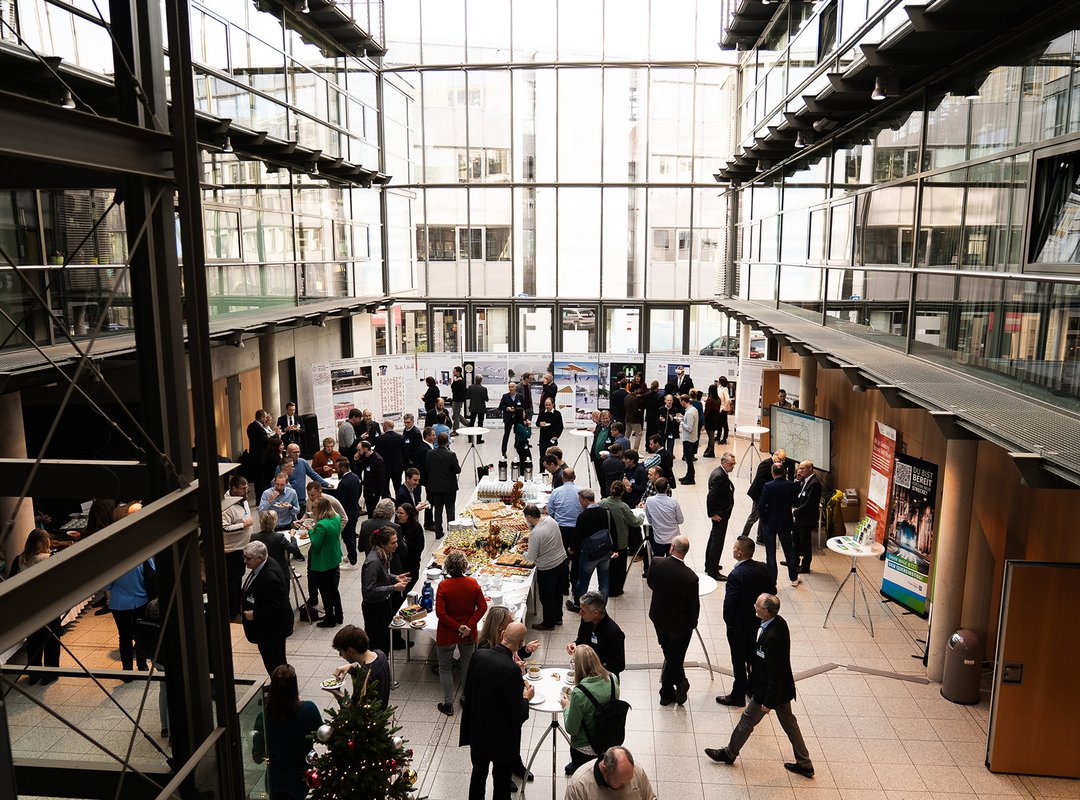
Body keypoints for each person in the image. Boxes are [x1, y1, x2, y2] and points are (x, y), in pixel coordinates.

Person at [704, 594, 814, 778]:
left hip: (769, 691)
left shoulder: (772, 637)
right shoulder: (779, 623)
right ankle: (805, 764)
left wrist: (768, 702)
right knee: (790, 724)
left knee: (747, 720)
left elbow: (774, 672)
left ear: (766, 611)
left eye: (757, 605)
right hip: (781, 690)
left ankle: (729, 753)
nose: (754, 606)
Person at [460, 621, 533, 800]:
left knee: (478, 775)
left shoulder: (478, 655)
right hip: (502, 739)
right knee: (501, 781)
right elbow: (519, 714)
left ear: (502, 635)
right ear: (521, 643)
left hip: (478, 731)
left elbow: (468, 691)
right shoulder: (511, 670)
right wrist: (526, 698)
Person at [717, 537, 776, 707]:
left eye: (735, 547)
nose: (733, 549)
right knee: (752, 656)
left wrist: (729, 622)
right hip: (756, 623)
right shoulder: (762, 568)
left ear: (739, 553)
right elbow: (772, 591)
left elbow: (729, 604)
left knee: (738, 659)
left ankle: (738, 694)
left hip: (738, 625)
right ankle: (753, 687)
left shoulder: (736, 575)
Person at [252, 664, 323, 800]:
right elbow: (323, 735)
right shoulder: (309, 709)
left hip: (274, 779)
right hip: (300, 777)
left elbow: (257, 757)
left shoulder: (263, 717)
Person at [647, 535, 699, 706]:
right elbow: (693, 605)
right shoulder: (690, 577)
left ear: (671, 548)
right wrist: (693, 623)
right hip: (680, 625)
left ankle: (671, 689)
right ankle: (670, 689)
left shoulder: (656, 562)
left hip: (659, 617)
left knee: (669, 653)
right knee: (674, 656)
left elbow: (651, 583)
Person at [435, 550, 488, 716]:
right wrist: (467, 626)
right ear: (465, 566)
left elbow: (440, 613)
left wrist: (457, 627)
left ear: (447, 567)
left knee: (445, 667)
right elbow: (482, 607)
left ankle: (448, 704)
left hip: (447, 633)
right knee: (467, 666)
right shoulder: (472, 583)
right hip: (467, 634)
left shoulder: (443, 586)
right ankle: (465, 698)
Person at [9, 529, 61, 683]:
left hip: (28, 607)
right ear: (45, 542)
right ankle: (50, 674)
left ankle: (34, 673)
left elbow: (12, 582)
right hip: (48, 605)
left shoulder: (19, 560)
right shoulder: (51, 558)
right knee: (51, 640)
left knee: (33, 641)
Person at [560, 645, 620, 774]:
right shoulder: (613, 679)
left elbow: (571, 728)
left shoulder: (579, 693)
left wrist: (566, 706)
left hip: (585, 748)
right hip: (609, 740)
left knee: (584, 779)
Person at [240, 540, 294, 675]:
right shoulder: (264, 564)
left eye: (248, 558)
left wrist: (255, 615)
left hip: (272, 630)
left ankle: (282, 685)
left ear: (259, 558)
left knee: (275, 661)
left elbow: (277, 606)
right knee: (272, 661)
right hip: (268, 629)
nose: (245, 561)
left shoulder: (269, 577)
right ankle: (277, 682)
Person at [361, 526, 409, 655]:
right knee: (378, 643)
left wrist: (395, 577)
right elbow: (369, 590)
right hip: (374, 608)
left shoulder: (383, 555)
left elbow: (382, 575)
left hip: (384, 602)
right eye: (393, 543)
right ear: (382, 544)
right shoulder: (373, 562)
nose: (397, 545)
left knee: (386, 639)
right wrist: (394, 587)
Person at [524, 505, 569, 631]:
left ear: (529, 517)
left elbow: (531, 558)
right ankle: (558, 618)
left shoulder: (535, 533)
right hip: (561, 562)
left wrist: (522, 553)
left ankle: (548, 623)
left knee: (547, 596)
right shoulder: (551, 521)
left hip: (548, 568)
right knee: (557, 593)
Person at [331, 625, 392, 710]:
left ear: (350, 651)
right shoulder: (380, 654)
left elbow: (354, 711)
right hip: (381, 712)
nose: (340, 655)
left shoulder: (364, 678)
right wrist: (352, 668)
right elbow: (372, 675)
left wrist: (339, 695)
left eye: (340, 651)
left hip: (369, 716)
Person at [569, 489, 612, 610]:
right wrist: (614, 549)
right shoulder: (606, 512)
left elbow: (577, 535)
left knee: (583, 581)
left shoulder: (583, 516)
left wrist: (572, 548)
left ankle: (578, 605)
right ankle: (601, 607)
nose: (580, 503)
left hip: (590, 553)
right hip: (605, 551)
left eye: (580, 501)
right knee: (604, 581)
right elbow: (612, 530)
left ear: (585, 500)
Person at [758, 462, 800, 586]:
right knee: (789, 551)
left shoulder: (768, 486)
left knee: (770, 553)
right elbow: (796, 503)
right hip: (785, 522)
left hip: (770, 523)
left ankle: (772, 581)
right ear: (784, 472)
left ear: (772, 473)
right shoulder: (791, 485)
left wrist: (765, 519)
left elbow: (761, 507)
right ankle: (793, 578)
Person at [599, 481, 642, 598]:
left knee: (607, 566)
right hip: (620, 541)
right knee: (619, 568)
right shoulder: (623, 507)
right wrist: (641, 515)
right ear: (622, 492)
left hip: (605, 540)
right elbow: (635, 522)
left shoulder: (603, 503)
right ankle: (617, 589)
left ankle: (606, 588)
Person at [565, 746, 656, 800]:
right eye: (621, 783)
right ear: (605, 770)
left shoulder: (637, 770)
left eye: (629, 779)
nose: (626, 786)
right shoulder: (579, 786)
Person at [221, 474, 255, 621]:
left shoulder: (243, 499)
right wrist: (243, 525)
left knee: (240, 577)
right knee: (232, 582)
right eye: (243, 488)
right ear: (234, 489)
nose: (246, 491)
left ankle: (237, 605)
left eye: (246, 488)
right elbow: (224, 528)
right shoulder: (226, 506)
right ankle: (232, 611)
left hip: (243, 546)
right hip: (232, 549)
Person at [567, 592, 625, 677]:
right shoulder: (586, 620)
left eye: (583, 611)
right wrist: (575, 644)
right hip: (587, 672)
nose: (580, 613)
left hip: (604, 677)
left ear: (595, 613)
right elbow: (581, 639)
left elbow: (619, 665)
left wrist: (592, 659)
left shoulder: (614, 633)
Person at [546, 466, 582, 594]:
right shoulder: (581, 491)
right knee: (576, 558)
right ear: (574, 478)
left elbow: (550, 511)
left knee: (562, 558)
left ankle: (563, 586)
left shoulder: (556, 492)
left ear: (562, 478)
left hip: (560, 529)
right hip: (576, 530)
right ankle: (575, 585)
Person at [308, 498, 343, 629]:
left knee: (325, 592)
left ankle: (330, 619)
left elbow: (316, 544)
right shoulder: (336, 517)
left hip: (323, 562)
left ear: (320, 509)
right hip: (334, 558)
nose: (312, 510)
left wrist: (310, 530)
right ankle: (339, 615)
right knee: (334, 590)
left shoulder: (322, 524)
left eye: (314, 508)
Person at [742, 449, 789, 543]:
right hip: (759, 495)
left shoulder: (779, 466)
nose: (781, 462)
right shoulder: (766, 464)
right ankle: (743, 537)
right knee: (754, 517)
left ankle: (760, 538)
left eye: (783, 461)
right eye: (780, 459)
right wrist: (772, 487)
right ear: (775, 455)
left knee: (763, 516)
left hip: (767, 495)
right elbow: (760, 479)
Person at [704, 452, 737, 582]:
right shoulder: (720, 476)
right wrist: (712, 514)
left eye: (734, 463)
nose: (733, 466)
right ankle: (713, 571)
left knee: (714, 539)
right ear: (723, 462)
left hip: (720, 513)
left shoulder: (721, 472)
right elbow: (711, 497)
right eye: (731, 464)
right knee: (717, 542)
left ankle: (710, 564)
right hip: (719, 515)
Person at [327, 457, 361, 567]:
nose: (336, 470)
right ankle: (352, 556)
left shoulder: (343, 483)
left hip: (346, 513)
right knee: (352, 536)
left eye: (337, 468)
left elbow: (340, 502)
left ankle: (352, 561)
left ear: (342, 468)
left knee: (347, 538)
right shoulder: (355, 477)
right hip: (354, 510)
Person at [426, 431, 461, 539]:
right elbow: (457, 470)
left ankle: (438, 532)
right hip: (449, 488)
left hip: (436, 487)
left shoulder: (430, 453)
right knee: (450, 510)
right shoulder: (451, 454)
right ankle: (452, 533)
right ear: (447, 442)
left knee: (438, 510)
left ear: (437, 440)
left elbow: (427, 468)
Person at [792, 460, 822, 576]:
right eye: (799, 468)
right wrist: (797, 481)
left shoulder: (814, 484)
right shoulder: (804, 480)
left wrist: (796, 512)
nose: (800, 470)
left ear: (810, 469)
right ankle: (794, 562)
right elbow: (797, 495)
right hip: (799, 517)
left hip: (806, 519)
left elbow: (809, 503)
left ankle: (805, 567)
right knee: (795, 540)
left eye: (803, 468)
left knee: (805, 543)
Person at [254, 510, 303, 580]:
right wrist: (292, 537)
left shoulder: (254, 537)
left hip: (261, 573)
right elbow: (294, 550)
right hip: (280, 573)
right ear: (275, 522)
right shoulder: (279, 537)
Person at [643, 478, 682, 559]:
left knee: (658, 561)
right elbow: (680, 520)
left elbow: (649, 520)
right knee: (672, 562)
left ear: (655, 487)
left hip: (659, 539)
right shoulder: (673, 501)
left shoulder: (649, 501)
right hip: (673, 538)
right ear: (667, 488)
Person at [395, 502, 425, 596]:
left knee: (410, 588)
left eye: (401, 513)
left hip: (411, 564)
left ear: (408, 514)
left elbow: (420, 546)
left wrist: (404, 544)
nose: (398, 515)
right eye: (397, 512)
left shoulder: (416, 527)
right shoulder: (396, 526)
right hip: (398, 563)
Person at [354, 439, 389, 519]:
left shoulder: (377, 460)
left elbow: (381, 478)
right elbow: (358, 468)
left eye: (359, 450)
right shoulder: (364, 457)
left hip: (374, 491)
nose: (358, 452)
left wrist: (375, 492)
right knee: (369, 510)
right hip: (366, 489)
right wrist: (356, 460)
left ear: (366, 449)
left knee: (372, 511)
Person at [374, 419, 407, 494]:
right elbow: (405, 453)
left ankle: (386, 500)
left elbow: (377, 455)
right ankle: (399, 500)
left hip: (385, 468)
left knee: (385, 489)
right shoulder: (401, 437)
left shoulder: (380, 439)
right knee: (398, 488)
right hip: (398, 468)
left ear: (385, 426)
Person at [677, 394, 699, 484]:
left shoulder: (689, 412)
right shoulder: (693, 409)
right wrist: (683, 417)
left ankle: (691, 478)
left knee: (688, 459)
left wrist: (681, 422)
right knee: (688, 459)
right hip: (692, 438)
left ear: (683, 401)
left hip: (688, 439)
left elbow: (689, 428)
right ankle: (688, 475)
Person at [498, 381, 524, 458]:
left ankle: (519, 448)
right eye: (510, 387)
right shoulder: (505, 396)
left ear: (515, 388)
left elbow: (522, 406)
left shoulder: (520, 396)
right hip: (508, 418)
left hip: (517, 418)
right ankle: (503, 451)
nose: (511, 388)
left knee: (518, 434)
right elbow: (500, 406)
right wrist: (507, 408)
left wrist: (519, 410)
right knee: (506, 434)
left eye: (512, 387)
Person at [466, 375, 489, 444]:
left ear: (475, 379)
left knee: (471, 422)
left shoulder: (470, 387)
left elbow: (467, 397)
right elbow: (486, 399)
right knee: (480, 423)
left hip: (473, 407)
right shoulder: (484, 389)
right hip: (481, 408)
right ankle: (479, 439)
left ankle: (470, 438)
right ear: (481, 380)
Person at [702, 384, 723, 458]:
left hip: (710, 419)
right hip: (716, 418)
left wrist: (703, 420)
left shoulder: (709, 400)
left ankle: (711, 450)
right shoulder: (718, 399)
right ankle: (709, 448)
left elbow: (707, 412)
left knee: (711, 436)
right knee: (711, 434)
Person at [450, 366, 468, 431]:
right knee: (455, 415)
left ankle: (456, 430)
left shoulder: (460, 380)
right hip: (456, 399)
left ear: (458, 372)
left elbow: (454, 389)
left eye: (454, 372)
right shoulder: (458, 380)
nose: (453, 373)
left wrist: (455, 382)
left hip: (458, 400)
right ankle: (467, 423)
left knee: (456, 415)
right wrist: (455, 382)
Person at [717, 376, 733, 445]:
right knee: (719, 424)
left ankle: (724, 439)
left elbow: (727, 400)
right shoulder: (719, 388)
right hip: (719, 409)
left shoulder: (725, 389)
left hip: (723, 410)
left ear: (721, 381)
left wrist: (724, 407)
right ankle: (718, 436)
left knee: (724, 424)